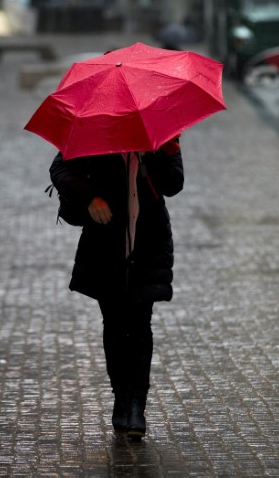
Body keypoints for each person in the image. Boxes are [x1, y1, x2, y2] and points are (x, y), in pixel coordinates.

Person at [49, 137, 184, 439]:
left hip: (147, 244)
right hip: (106, 247)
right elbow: (59, 169)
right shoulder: (98, 136)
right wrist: (90, 198)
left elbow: (174, 183)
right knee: (114, 323)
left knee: (138, 324)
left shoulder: (161, 137)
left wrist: (154, 156)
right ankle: (121, 398)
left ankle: (137, 405)